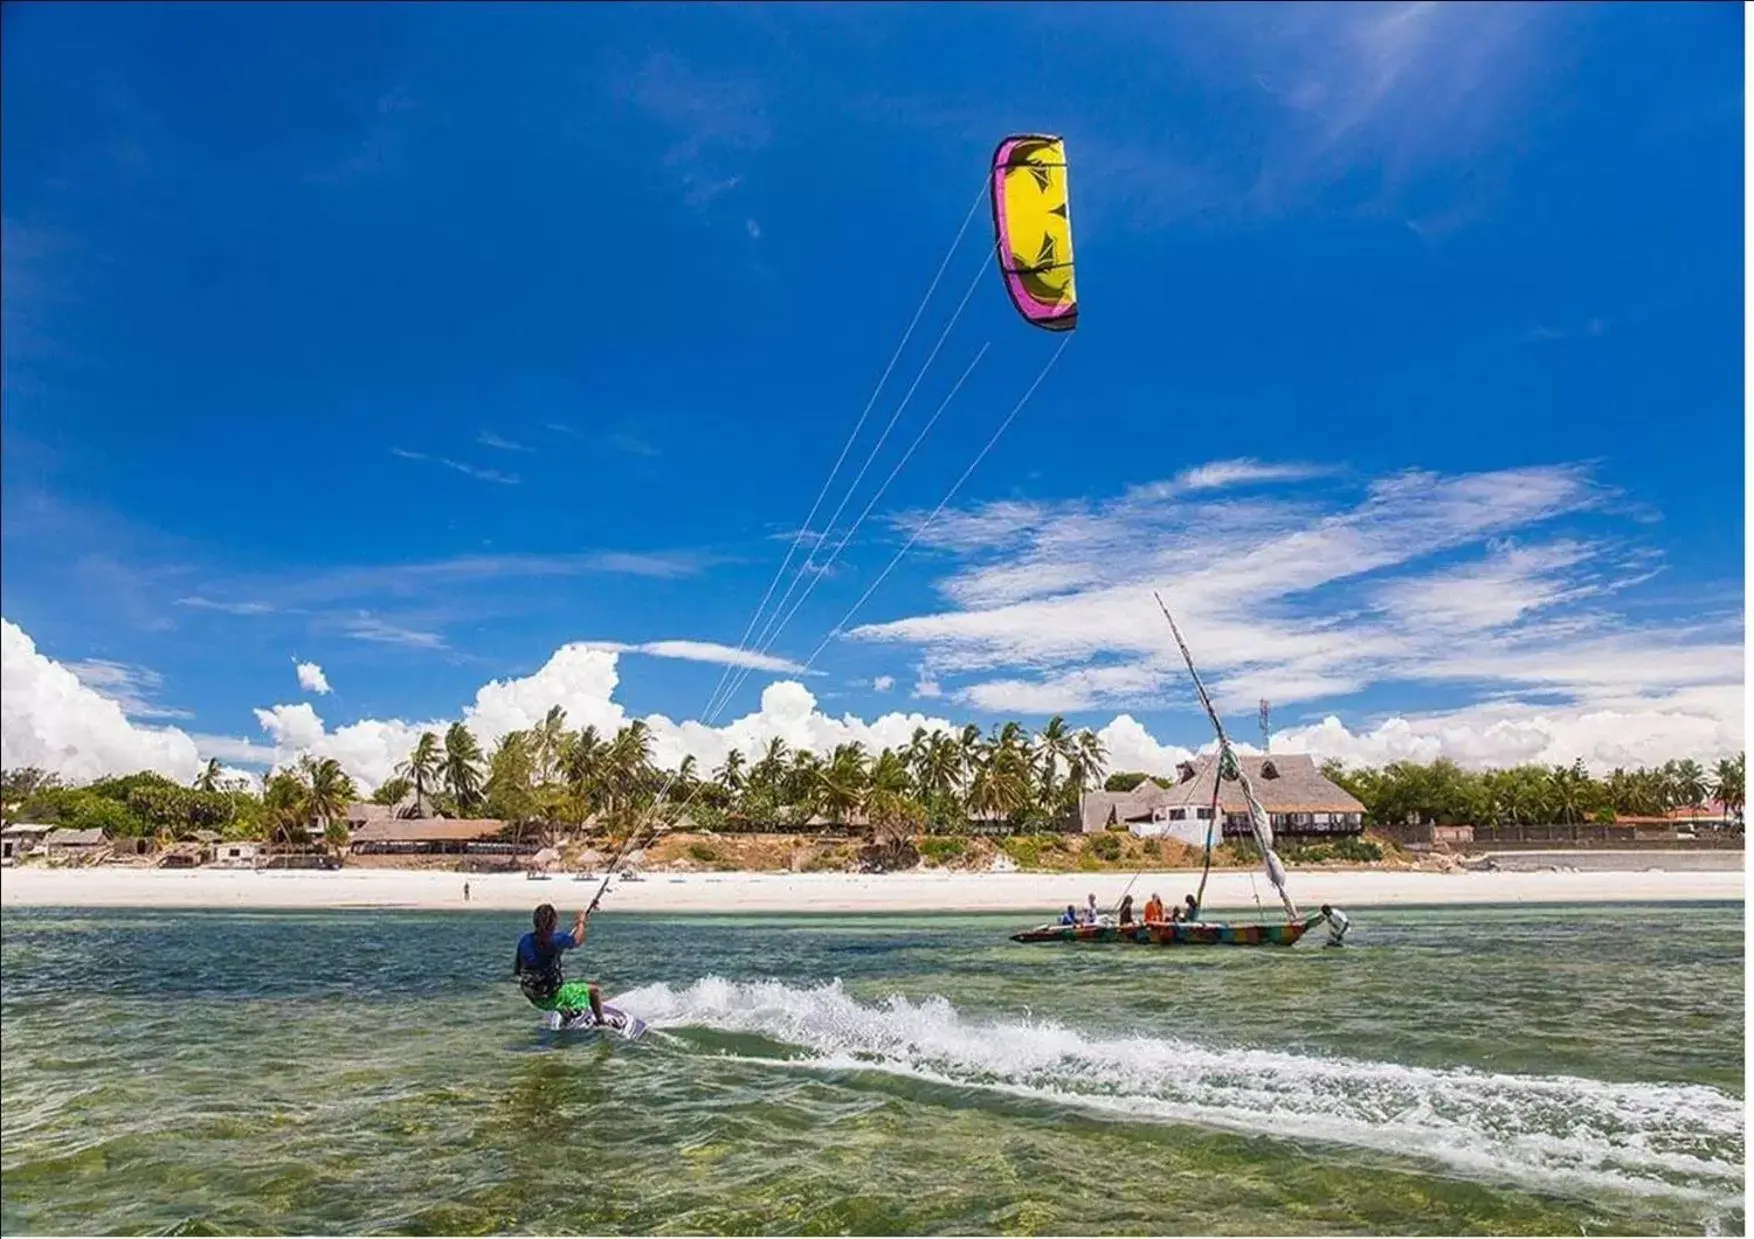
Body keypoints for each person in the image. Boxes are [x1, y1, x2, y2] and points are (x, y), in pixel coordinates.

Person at [513, 903, 604, 1024]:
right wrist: (581, 922)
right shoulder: (557, 940)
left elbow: (517, 971)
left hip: (532, 995)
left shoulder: (524, 941)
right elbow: (577, 940)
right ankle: (601, 1023)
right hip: (551, 998)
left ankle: (566, 1014)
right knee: (594, 991)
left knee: (550, 985)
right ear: (554, 922)